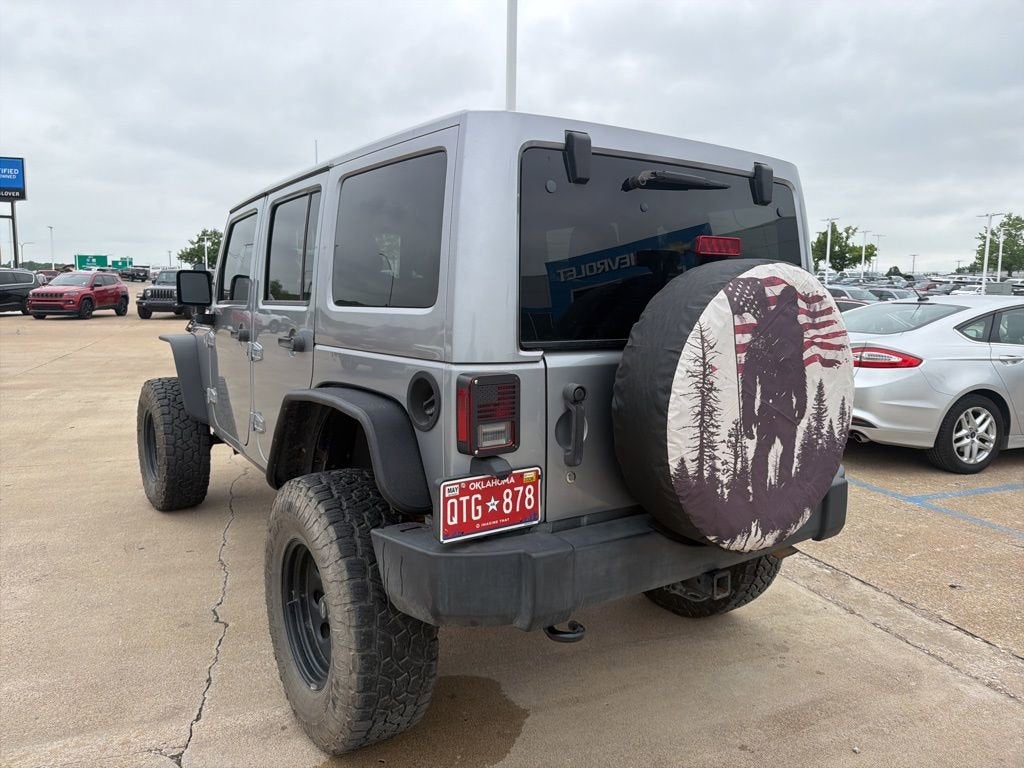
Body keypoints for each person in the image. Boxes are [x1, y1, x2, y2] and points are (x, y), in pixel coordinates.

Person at [741, 285, 807, 499]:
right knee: (787, 449)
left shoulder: (763, 329)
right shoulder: (794, 329)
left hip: (768, 401)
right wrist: (801, 400)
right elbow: (798, 369)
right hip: (784, 400)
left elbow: (749, 379)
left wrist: (748, 415)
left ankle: (760, 494)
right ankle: (784, 490)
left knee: (763, 449)